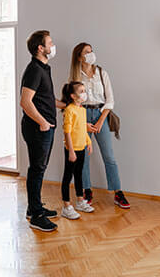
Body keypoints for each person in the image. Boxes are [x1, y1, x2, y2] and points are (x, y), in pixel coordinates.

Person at [69, 42, 130, 209]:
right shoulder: (75, 77)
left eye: (91, 51)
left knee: (109, 156)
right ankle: (86, 190)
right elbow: (73, 103)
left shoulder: (102, 73)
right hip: (82, 117)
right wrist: (83, 123)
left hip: (101, 114)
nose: (91, 54)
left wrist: (101, 120)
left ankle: (118, 192)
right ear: (80, 57)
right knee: (84, 158)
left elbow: (110, 100)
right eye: (86, 52)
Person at [20, 30, 66, 232]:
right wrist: (42, 122)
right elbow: (25, 102)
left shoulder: (44, 68)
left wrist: (65, 105)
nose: (53, 46)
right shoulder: (34, 70)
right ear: (41, 48)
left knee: (39, 169)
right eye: (50, 42)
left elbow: (45, 99)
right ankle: (36, 216)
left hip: (45, 127)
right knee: (37, 170)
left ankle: (34, 208)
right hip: (38, 129)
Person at [60, 81, 95, 219]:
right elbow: (67, 132)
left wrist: (89, 142)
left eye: (84, 90)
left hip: (82, 148)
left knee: (79, 174)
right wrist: (71, 151)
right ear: (73, 96)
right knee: (68, 177)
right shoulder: (70, 110)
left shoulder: (82, 110)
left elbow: (82, 129)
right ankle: (66, 206)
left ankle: (80, 201)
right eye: (81, 91)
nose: (84, 93)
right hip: (72, 149)